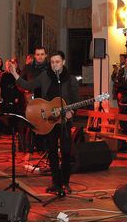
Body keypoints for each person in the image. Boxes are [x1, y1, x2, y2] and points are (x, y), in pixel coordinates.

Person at [9, 51, 78, 195]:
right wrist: (15, 74)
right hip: (50, 120)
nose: (55, 65)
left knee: (65, 152)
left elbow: (75, 100)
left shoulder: (71, 79)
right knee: (52, 151)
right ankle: (55, 182)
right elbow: (28, 85)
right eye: (52, 62)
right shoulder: (45, 76)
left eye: (57, 62)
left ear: (63, 62)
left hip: (65, 121)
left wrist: (72, 111)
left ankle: (65, 182)